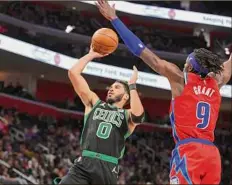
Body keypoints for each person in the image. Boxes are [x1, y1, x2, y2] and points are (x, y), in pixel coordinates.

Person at [96, 0, 232, 184]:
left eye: (186, 62)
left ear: (190, 66)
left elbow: (141, 51)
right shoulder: (217, 82)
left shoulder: (180, 80)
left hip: (189, 152)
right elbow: (229, 65)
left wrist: (114, 19)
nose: (183, 63)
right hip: (212, 155)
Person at [58, 46, 145, 184]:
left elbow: (139, 116)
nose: (111, 89)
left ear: (126, 96)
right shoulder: (94, 103)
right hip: (84, 163)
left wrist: (132, 85)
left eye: (117, 87)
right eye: (111, 87)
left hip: (108, 167)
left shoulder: (126, 114)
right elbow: (73, 73)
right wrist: (91, 55)